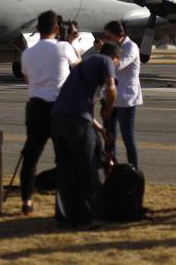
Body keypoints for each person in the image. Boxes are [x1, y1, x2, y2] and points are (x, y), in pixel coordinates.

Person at [51, 42, 120, 227]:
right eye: (117, 64)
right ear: (115, 58)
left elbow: (81, 110)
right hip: (77, 123)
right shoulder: (106, 60)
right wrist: (109, 109)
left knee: (65, 170)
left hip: (58, 119)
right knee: (88, 167)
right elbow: (111, 88)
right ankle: (88, 217)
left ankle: (65, 216)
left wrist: (100, 130)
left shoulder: (84, 65)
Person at [19, 10, 80, 215]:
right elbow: (78, 66)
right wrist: (72, 42)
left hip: (36, 107)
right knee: (62, 156)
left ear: (37, 29)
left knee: (31, 156)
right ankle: (63, 198)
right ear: (57, 29)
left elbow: (28, 79)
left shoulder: (27, 53)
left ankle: (26, 200)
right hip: (59, 108)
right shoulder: (64, 47)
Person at [102, 20, 142, 168]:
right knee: (109, 137)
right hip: (112, 98)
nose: (106, 39)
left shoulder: (131, 47)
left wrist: (104, 54)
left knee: (128, 138)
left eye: (108, 36)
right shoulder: (114, 47)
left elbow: (119, 64)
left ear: (118, 35)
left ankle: (134, 170)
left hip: (126, 98)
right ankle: (110, 169)